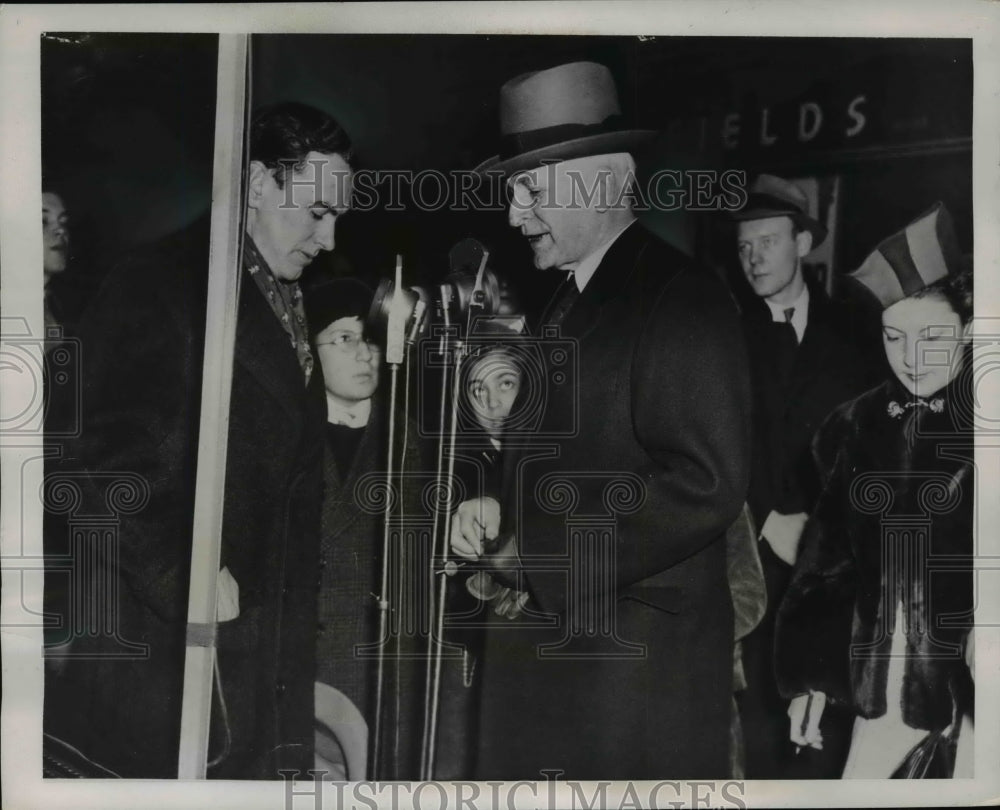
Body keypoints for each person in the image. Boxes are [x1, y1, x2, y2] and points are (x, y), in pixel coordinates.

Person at [450, 61, 751, 779]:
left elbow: (703, 482)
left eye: (530, 190)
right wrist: (501, 501)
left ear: (603, 180)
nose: (515, 214)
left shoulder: (683, 299)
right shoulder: (571, 296)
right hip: (571, 669)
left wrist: (542, 552)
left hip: (629, 686)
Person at [43, 102, 354, 779]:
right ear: (260, 183)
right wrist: (178, 571)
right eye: (318, 212)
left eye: (338, 218)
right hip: (163, 669)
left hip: (252, 672)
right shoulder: (161, 283)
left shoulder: (282, 295)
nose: (328, 241)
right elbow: (87, 460)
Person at [774, 202, 974, 778]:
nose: (911, 359)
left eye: (932, 336)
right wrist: (809, 679)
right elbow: (826, 567)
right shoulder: (858, 426)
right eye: (894, 337)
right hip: (886, 688)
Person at [731, 174, 875, 777]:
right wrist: (765, 519)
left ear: (804, 243)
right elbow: (715, 445)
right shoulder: (722, 333)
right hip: (751, 567)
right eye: (743, 246)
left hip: (836, 568)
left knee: (826, 746)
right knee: (760, 738)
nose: (754, 257)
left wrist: (826, 535)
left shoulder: (860, 331)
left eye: (767, 240)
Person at [303, 275, 429, 781]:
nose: (364, 355)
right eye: (344, 339)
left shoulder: (417, 442)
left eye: (372, 340)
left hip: (379, 677)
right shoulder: (284, 435)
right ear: (309, 351)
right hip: (298, 671)